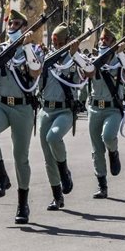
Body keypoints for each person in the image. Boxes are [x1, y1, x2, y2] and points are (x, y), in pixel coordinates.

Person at [0, 10, 42, 224]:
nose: (12, 26)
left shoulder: (33, 50)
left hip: (22, 108)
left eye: (17, 23)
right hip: (0, 104)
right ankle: (2, 177)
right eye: (10, 23)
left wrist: (25, 46)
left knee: (21, 158)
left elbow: (34, 73)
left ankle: (22, 204)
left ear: (25, 28)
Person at [37, 24, 83, 211]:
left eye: (58, 40)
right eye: (53, 39)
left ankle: (64, 172)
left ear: (65, 40)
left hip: (64, 111)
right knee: (48, 158)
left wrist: (75, 55)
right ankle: (57, 196)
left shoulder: (73, 59)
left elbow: (85, 75)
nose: (55, 42)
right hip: (45, 110)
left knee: (53, 137)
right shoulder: (46, 58)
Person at [86, 27, 125, 199]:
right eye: (101, 39)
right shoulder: (93, 60)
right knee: (96, 149)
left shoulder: (122, 61)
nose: (102, 42)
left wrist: (121, 54)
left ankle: (113, 152)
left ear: (114, 43)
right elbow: (85, 73)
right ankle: (102, 185)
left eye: (107, 40)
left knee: (108, 137)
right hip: (94, 108)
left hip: (112, 108)